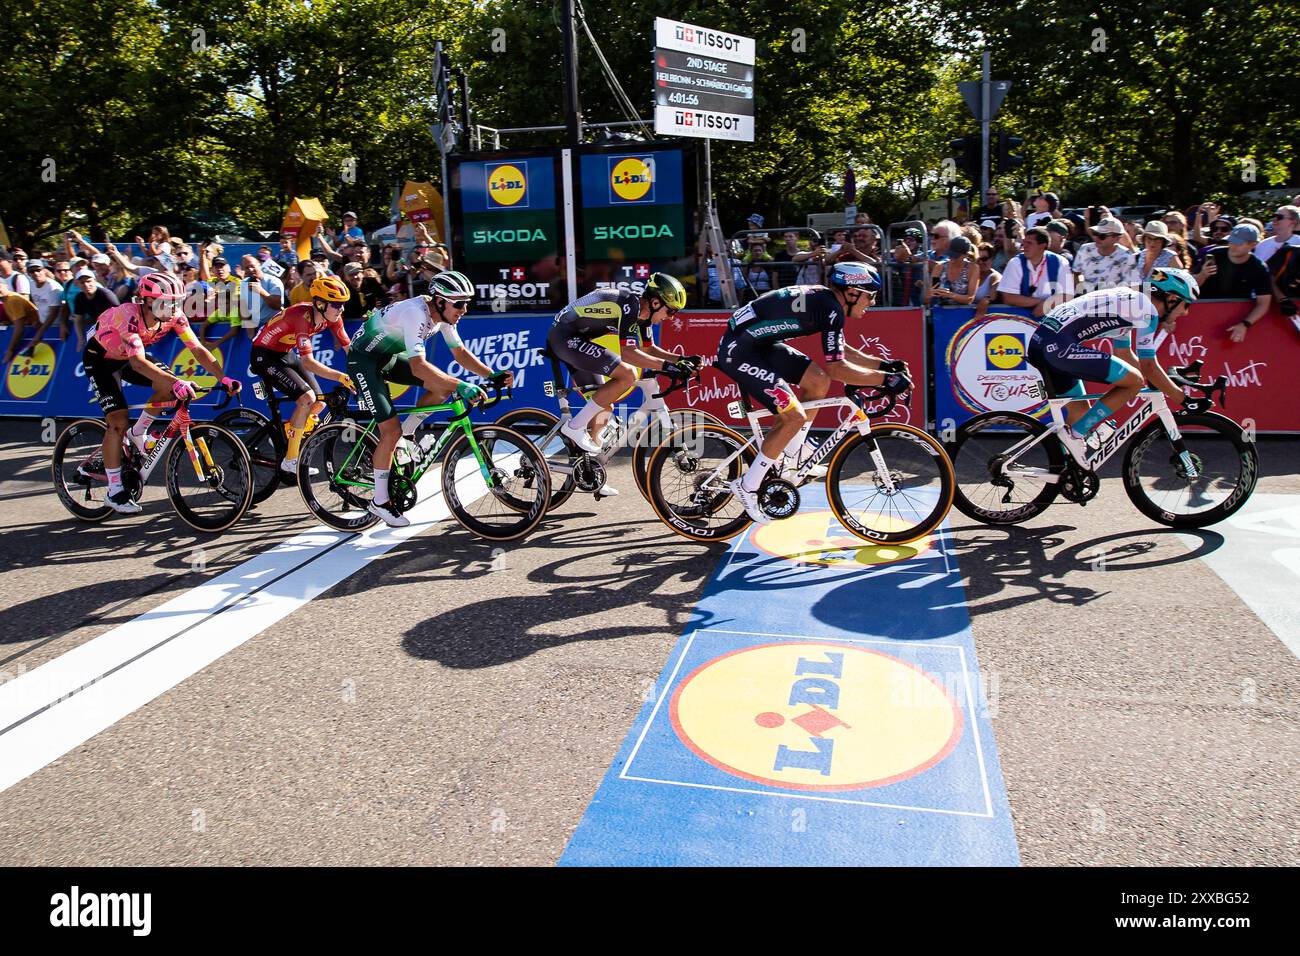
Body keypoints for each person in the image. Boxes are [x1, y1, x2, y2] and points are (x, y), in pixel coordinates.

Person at [714, 262, 911, 524]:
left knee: (817, 381)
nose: (872, 302)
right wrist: (886, 380)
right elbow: (838, 368)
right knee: (793, 416)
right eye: (870, 295)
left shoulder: (829, 304)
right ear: (852, 294)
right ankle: (747, 486)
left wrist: (884, 366)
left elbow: (840, 351)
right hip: (740, 351)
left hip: (759, 345)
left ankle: (795, 452)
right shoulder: (830, 307)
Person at [346, 271, 507, 527]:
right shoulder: (415, 314)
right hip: (364, 360)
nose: (464, 309)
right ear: (440, 301)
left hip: (388, 356)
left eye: (467, 303)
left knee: (442, 388)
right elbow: (419, 367)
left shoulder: (444, 315)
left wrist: (492, 374)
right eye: (459, 303)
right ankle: (380, 501)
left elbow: (460, 352)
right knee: (389, 430)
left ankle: (407, 435)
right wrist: (463, 384)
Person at [81, 271, 240, 514]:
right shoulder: (128, 316)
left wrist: (224, 377)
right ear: (145, 301)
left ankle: (139, 432)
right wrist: (175, 381)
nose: (173, 308)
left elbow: (197, 349)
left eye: (177, 302)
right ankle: (114, 491)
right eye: (166, 303)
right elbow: (138, 365)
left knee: (172, 390)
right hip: (102, 360)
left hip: (131, 355)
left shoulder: (175, 316)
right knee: (117, 421)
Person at [1026, 269, 1199, 457]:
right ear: (1172, 299)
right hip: (1057, 348)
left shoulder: (1131, 301)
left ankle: (1065, 473)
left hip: (1041, 344)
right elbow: (1148, 366)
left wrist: (1161, 381)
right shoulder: (1147, 311)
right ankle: (1075, 436)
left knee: (1082, 415)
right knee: (1133, 382)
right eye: (1186, 305)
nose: (1186, 313)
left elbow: (1124, 353)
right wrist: (1184, 399)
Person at [547, 274, 694, 491]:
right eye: (670, 310)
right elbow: (629, 354)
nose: (671, 317)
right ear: (655, 303)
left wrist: (680, 360)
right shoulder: (629, 305)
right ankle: (574, 427)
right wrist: (666, 367)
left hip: (578, 339)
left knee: (604, 407)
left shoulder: (642, 316)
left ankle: (591, 470)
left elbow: (649, 349)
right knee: (627, 374)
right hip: (564, 337)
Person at [250, 275, 355, 474]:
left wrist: (364, 370)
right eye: (336, 304)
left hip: (284, 353)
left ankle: (288, 431)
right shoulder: (301, 316)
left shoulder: (333, 317)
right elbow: (308, 362)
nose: (341, 309)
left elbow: (349, 348)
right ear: (320, 304)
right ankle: (290, 460)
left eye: (342, 304)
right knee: (306, 398)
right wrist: (341, 377)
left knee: (320, 402)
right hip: (263, 354)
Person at [1196, 225, 1273, 342]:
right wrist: (1202, 275)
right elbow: (1191, 285)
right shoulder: (1214, 255)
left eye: (1239, 243)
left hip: (1234, 318)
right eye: (1231, 241)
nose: (1233, 246)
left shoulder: (1258, 268)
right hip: (1203, 314)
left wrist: (1245, 324)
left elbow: (1263, 303)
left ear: (1253, 244)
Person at [998, 226, 1075, 316]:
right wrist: (1041, 303)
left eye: (1029, 243)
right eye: (1024, 242)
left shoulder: (1061, 262)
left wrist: (1048, 305)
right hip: (1020, 318)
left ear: (1042, 246)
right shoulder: (1015, 262)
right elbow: (1008, 297)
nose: (1024, 246)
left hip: (1053, 317)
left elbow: (1068, 295)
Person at [924, 235, 977, 306]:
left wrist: (950, 295)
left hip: (964, 313)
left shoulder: (973, 268)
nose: (952, 259)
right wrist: (929, 295)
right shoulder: (939, 267)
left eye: (955, 256)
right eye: (950, 254)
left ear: (966, 255)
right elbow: (928, 298)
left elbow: (970, 299)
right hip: (941, 312)